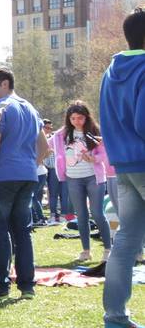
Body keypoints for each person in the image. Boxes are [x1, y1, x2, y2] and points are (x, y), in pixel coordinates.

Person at [0, 67, 49, 299]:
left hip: (1, 176)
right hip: (28, 176)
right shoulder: (30, 108)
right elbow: (45, 148)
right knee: (23, 232)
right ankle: (27, 286)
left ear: (5, 84)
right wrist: (29, 165)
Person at [99, 6, 145, 328]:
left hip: (124, 166)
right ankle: (116, 318)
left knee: (125, 240)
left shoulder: (111, 70)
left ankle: (115, 318)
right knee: (127, 240)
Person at [51, 101, 112, 264]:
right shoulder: (61, 135)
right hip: (73, 179)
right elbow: (48, 145)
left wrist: (94, 158)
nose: (77, 121)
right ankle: (86, 251)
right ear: (68, 119)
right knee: (81, 215)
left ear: (87, 118)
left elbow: (105, 152)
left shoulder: (95, 132)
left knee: (97, 213)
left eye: (80, 118)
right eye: (73, 118)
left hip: (94, 177)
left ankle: (108, 249)